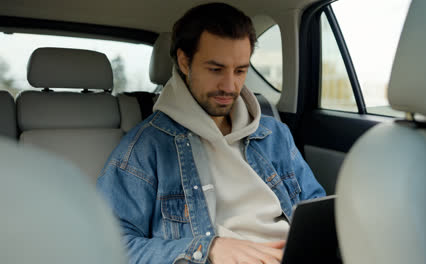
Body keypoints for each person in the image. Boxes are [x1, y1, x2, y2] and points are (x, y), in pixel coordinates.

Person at [97, 3, 325, 264]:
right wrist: (210, 249)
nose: (230, 86)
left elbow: (315, 210)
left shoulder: (274, 134)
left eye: (240, 70)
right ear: (184, 61)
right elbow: (111, 246)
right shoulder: (146, 147)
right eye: (215, 69)